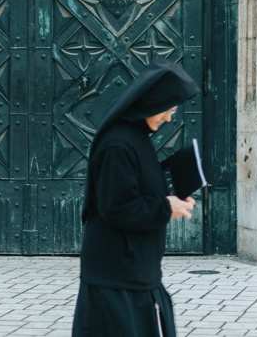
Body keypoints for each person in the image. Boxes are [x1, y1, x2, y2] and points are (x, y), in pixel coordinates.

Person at [72, 60, 198, 337]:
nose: (168, 118)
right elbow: (116, 207)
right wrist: (166, 207)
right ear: (151, 103)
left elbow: (135, 190)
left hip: (131, 269)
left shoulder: (135, 138)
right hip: (116, 273)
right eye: (168, 109)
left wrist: (171, 198)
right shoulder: (118, 144)